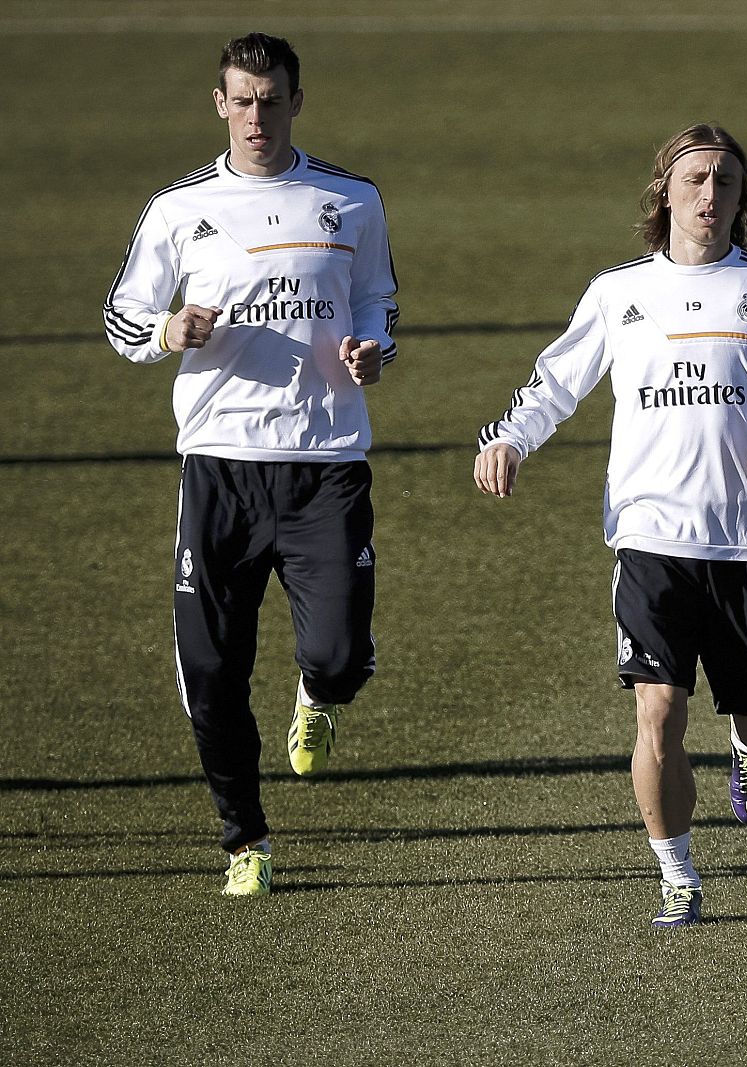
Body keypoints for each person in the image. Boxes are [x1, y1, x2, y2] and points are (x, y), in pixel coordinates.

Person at [475, 123, 747, 928]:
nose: (711, 195)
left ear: (744, 200)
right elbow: (556, 382)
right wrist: (506, 438)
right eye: (697, 178)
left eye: (727, 182)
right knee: (659, 711)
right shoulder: (618, 292)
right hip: (650, 540)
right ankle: (677, 871)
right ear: (665, 191)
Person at [104, 32, 399, 897]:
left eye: (272, 100)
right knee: (213, 673)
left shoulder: (350, 200)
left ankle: (318, 693)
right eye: (242, 100)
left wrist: (374, 346)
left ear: (296, 101)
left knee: (341, 655)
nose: (257, 115)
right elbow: (123, 317)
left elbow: (380, 296)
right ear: (220, 105)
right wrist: (169, 331)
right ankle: (246, 840)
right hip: (221, 471)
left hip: (325, 465)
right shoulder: (177, 209)